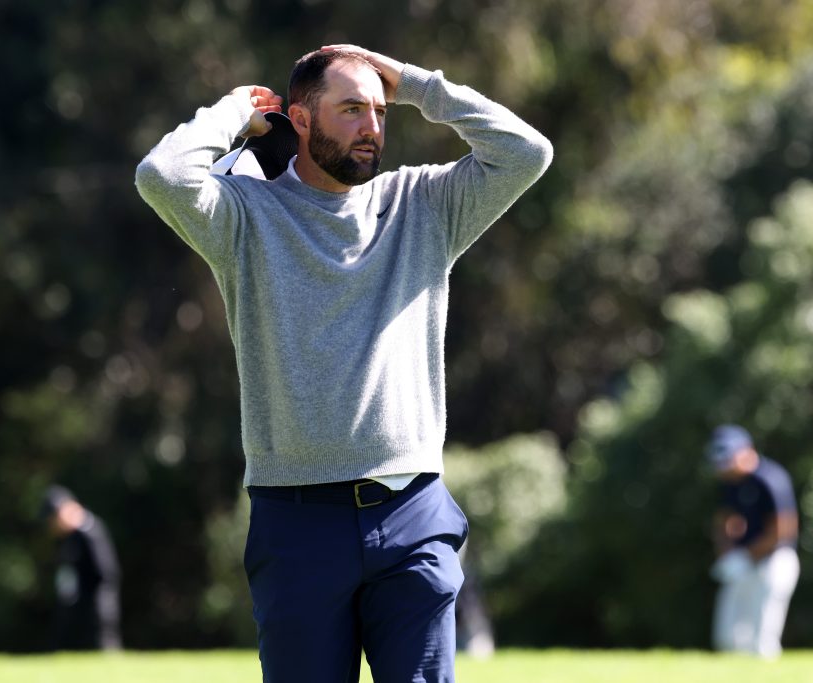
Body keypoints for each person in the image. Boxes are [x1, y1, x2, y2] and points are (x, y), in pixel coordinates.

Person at [135, 44, 553, 682]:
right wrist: (232, 112)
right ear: (300, 120)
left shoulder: (423, 204)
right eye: (352, 109)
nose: (372, 127)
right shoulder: (243, 215)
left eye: (380, 111)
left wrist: (417, 85)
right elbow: (160, 175)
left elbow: (527, 152)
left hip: (412, 513)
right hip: (296, 522)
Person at [705, 425, 799, 658]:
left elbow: (783, 530)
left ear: (746, 451)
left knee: (761, 639)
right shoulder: (732, 482)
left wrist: (745, 556)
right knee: (727, 638)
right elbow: (725, 520)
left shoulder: (770, 479)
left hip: (775, 559)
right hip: (746, 560)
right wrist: (726, 551)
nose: (724, 467)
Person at [38, 485, 122, 651]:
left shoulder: (90, 531)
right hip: (79, 607)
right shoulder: (72, 537)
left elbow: (107, 573)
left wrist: (96, 605)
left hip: (97, 608)